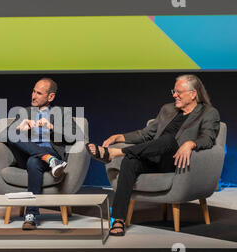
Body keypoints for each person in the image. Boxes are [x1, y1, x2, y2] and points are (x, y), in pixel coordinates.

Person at [86, 74, 220, 236]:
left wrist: (190, 143)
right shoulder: (167, 109)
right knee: (130, 161)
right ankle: (119, 220)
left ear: (193, 94)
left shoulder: (208, 112)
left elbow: (208, 138)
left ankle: (116, 153)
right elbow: (145, 134)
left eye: (179, 92)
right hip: (153, 158)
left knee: (168, 141)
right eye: (173, 91)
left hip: (176, 163)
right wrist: (119, 137)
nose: (174, 95)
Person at [1, 78, 79, 230]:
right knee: (12, 133)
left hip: (47, 152)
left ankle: (30, 215)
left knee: (33, 161)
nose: (33, 96)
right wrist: (19, 129)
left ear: (50, 97)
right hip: (25, 154)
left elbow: (74, 136)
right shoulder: (24, 113)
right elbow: (1, 137)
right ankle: (50, 160)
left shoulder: (62, 113)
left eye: (39, 93)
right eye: (33, 91)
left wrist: (52, 128)